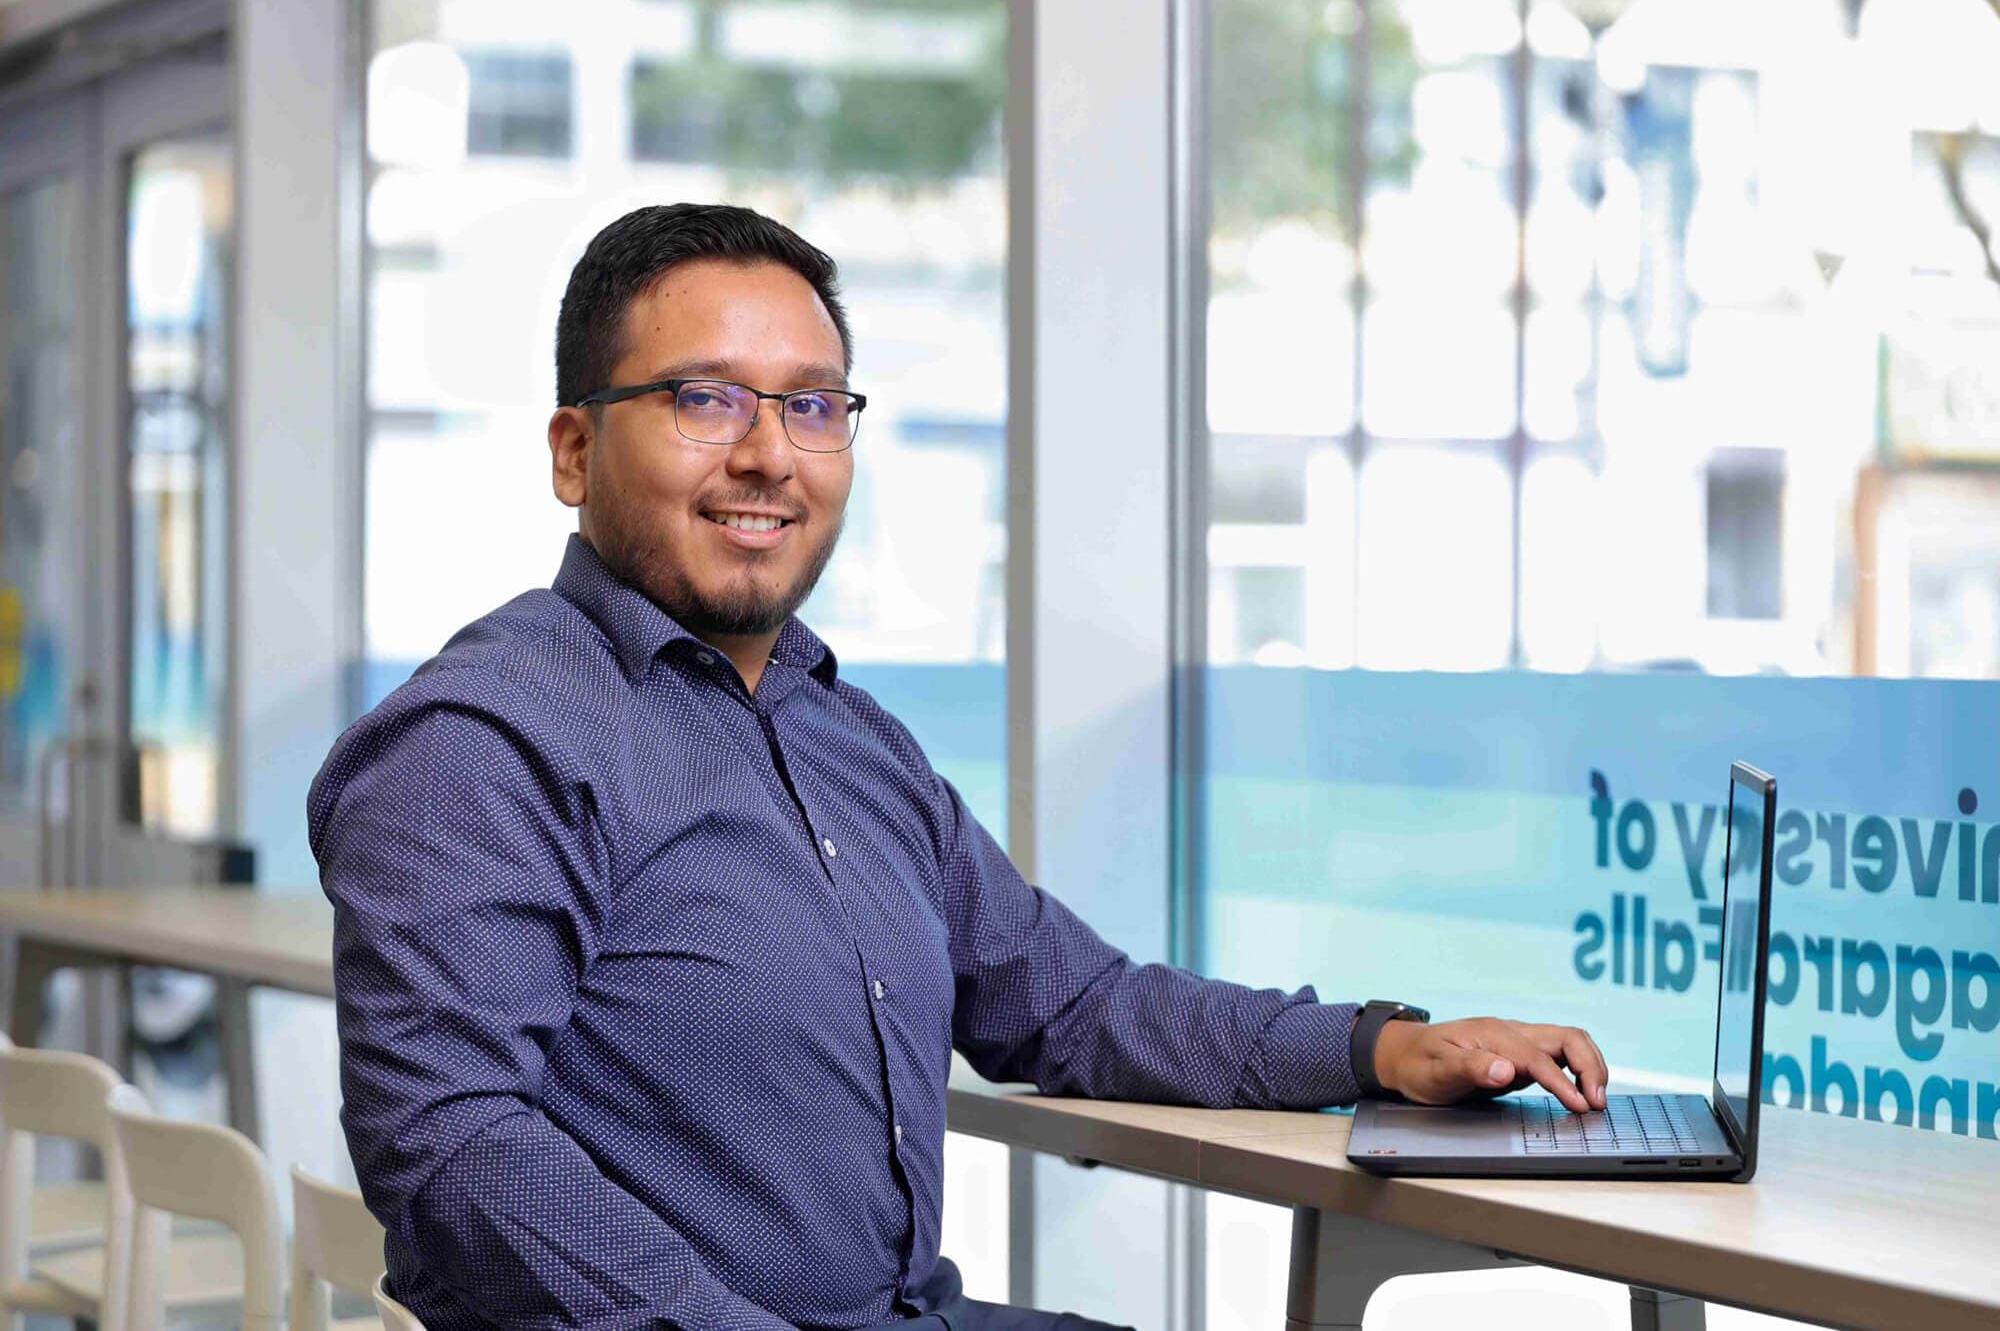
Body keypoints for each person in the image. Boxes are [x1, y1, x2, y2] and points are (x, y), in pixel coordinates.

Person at [308, 202, 1610, 1331]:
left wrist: (1384, 1046)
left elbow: (1076, 1005)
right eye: (705, 398)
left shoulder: (847, 737)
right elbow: (453, 1142)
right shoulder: (484, 742)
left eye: (812, 405)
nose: (768, 453)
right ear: (574, 450)